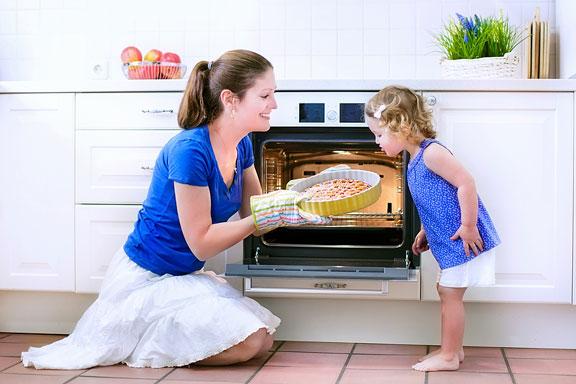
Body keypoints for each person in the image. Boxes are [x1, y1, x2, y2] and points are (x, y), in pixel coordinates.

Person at [21, 49, 328, 370]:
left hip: (182, 276)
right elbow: (203, 241)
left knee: (261, 339)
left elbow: (259, 219)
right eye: (265, 95)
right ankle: (135, 344)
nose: (274, 105)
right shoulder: (190, 151)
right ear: (231, 100)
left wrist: (297, 204)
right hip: (145, 279)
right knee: (248, 342)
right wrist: (262, 216)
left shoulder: (241, 145)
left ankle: (152, 339)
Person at [365, 85, 501, 372]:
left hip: (462, 238)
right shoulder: (414, 158)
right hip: (447, 239)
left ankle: (450, 356)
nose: (376, 141)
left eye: (379, 134)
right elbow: (436, 199)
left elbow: (466, 183)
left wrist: (467, 225)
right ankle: (454, 349)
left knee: (450, 294)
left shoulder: (432, 153)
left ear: (399, 126)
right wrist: (426, 230)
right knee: (446, 290)